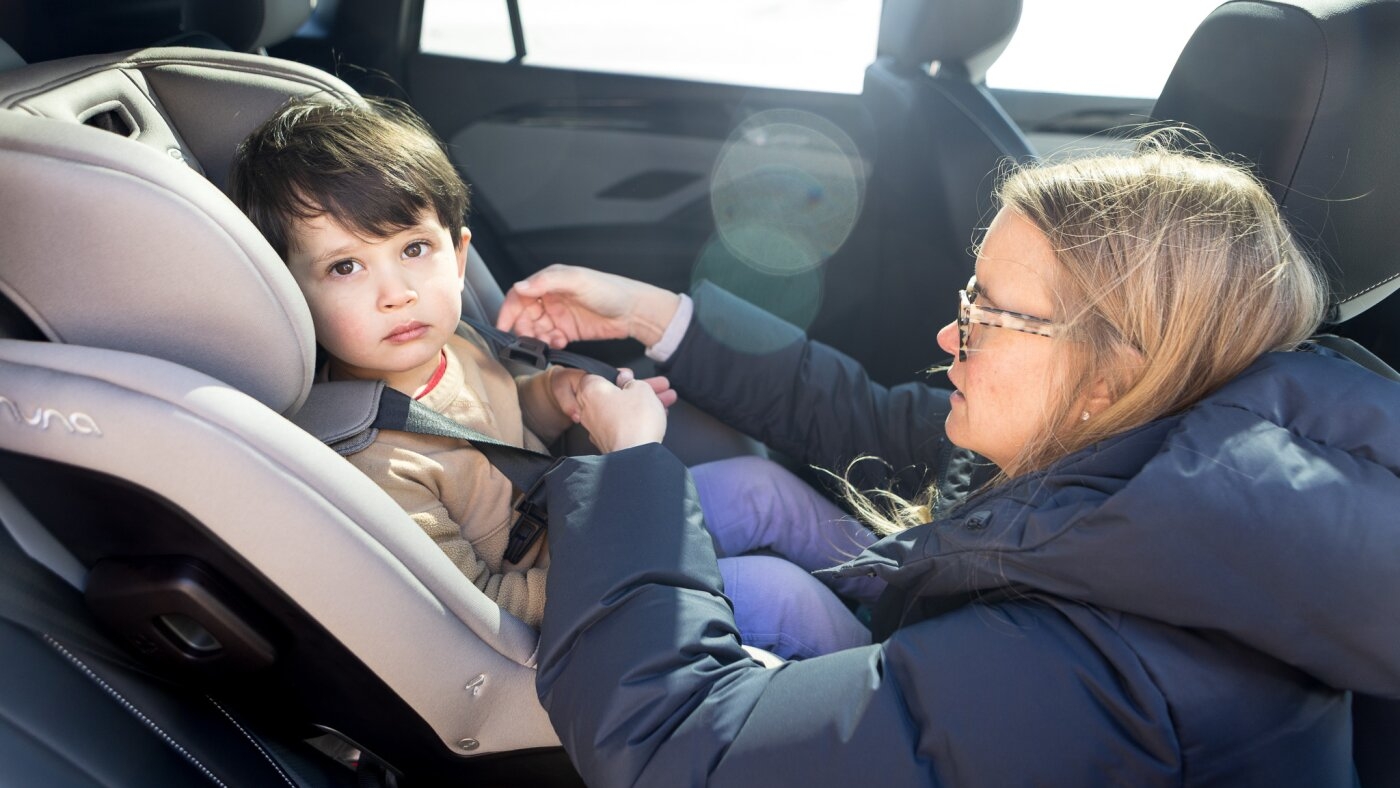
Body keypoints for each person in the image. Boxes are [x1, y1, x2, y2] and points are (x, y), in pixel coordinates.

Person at [499, 140, 1400, 785]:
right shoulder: (1152, 456)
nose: (947, 335)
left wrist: (631, 464)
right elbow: (876, 421)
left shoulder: (1097, 674)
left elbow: (676, 748)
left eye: (987, 315)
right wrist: (654, 316)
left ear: (1110, 373)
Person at [227, 96, 875, 657]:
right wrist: (650, 555)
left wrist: (556, 396)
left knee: (763, 488)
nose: (396, 293)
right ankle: (894, 692)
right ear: (290, 294)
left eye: (414, 249)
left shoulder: (456, 342)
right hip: (583, 601)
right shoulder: (377, 464)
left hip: (580, 526)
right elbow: (481, 607)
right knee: (779, 596)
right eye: (345, 267)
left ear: (459, 257)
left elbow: (504, 429)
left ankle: (904, 588)